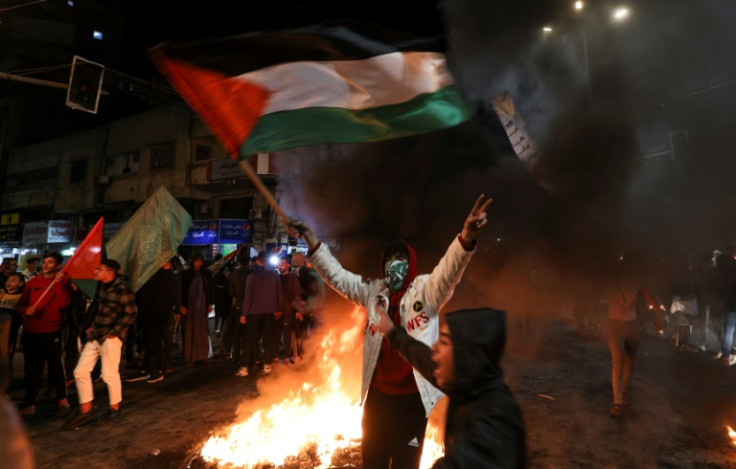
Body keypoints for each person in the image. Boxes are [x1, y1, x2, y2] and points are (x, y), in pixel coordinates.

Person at [288, 194, 491, 469]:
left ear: (412, 263)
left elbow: (449, 272)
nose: (395, 265)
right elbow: (337, 276)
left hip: (412, 404)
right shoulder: (373, 291)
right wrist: (311, 239)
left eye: (401, 259)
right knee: (373, 461)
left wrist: (466, 237)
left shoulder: (426, 291)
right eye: (390, 259)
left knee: (407, 461)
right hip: (378, 402)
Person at [374, 306, 526, 468]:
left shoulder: (493, 422)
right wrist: (391, 332)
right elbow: (424, 359)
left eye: (444, 341)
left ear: (467, 354)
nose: (434, 347)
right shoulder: (469, 385)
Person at [64, 259, 138, 428]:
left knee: (109, 374)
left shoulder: (122, 288)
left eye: (100, 269)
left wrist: (115, 332)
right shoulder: (102, 286)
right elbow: (99, 309)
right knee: (80, 371)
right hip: (96, 335)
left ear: (110, 273)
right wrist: (91, 326)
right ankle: (86, 407)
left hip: (111, 338)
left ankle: (114, 407)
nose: (96, 271)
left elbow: (131, 313)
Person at [15, 252, 72, 417]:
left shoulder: (62, 282)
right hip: (31, 332)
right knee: (31, 369)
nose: (46, 264)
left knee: (55, 366)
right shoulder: (32, 282)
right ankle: (30, 403)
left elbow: (63, 304)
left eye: (50, 262)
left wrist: (60, 285)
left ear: (58, 265)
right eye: (45, 262)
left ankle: (63, 400)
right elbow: (20, 306)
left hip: (51, 330)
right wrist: (26, 310)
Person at [607, 252, 663, 418]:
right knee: (618, 361)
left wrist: (658, 316)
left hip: (631, 324)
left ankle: (622, 394)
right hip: (615, 324)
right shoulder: (613, 277)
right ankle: (617, 402)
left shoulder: (638, 279)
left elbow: (653, 300)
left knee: (629, 360)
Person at [133, 258, 181, 382]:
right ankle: (147, 368)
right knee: (150, 341)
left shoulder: (165, 277)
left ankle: (159, 369)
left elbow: (174, 296)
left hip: (159, 312)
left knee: (156, 340)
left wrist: (177, 311)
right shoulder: (162, 277)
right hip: (152, 311)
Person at [238, 251, 282, 377]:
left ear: (257, 261)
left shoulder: (252, 276)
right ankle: (267, 365)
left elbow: (248, 296)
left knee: (250, 339)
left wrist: (244, 314)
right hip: (270, 311)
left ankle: (245, 367)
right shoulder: (274, 275)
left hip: (254, 312)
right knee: (268, 338)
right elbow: (279, 293)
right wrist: (278, 308)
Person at [180, 252, 214, 366]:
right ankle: (190, 358)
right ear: (192, 262)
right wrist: (182, 305)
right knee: (189, 331)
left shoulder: (206, 274)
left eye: (200, 261)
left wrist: (210, 304)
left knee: (203, 331)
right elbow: (182, 291)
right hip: (190, 307)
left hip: (202, 306)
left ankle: (203, 355)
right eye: (196, 261)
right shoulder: (186, 274)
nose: (198, 263)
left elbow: (210, 290)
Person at [278, 256, 302, 363]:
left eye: (282, 264)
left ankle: (287, 357)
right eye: (279, 264)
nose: (280, 266)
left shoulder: (293, 278)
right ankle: (276, 357)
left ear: (288, 265)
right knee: (276, 335)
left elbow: (297, 295)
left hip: (288, 311)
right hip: (277, 311)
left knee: (287, 335)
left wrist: (297, 310)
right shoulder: (277, 277)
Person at [0, 273, 24, 366]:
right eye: (8, 280)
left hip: (10, 332)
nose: (9, 283)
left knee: (6, 358)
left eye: (13, 280)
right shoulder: (1, 293)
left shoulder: (21, 296)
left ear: (21, 284)